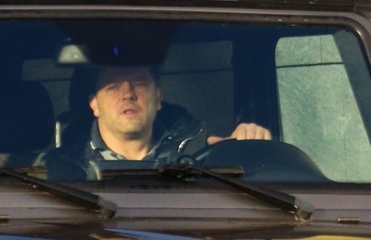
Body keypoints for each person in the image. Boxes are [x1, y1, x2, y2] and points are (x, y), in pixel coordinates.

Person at [66, 62, 270, 172]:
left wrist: (245, 154)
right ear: (94, 104)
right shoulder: (62, 167)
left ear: (158, 97)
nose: (128, 94)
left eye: (139, 84)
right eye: (113, 87)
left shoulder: (202, 154)